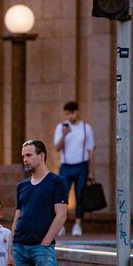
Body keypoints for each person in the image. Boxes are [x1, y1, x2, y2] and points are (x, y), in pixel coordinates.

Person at [53, 101, 95, 237]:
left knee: (80, 195)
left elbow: (91, 150)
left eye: (72, 113)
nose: (70, 116)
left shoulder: (86, 128)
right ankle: (61, 225)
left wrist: (91, 171)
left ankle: (77, 224)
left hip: (82, 165)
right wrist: (64, 134)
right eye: (67, 114)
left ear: (77, 112)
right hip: (66, 166)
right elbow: (56, 148)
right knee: (62, 195)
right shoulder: (61, 127)